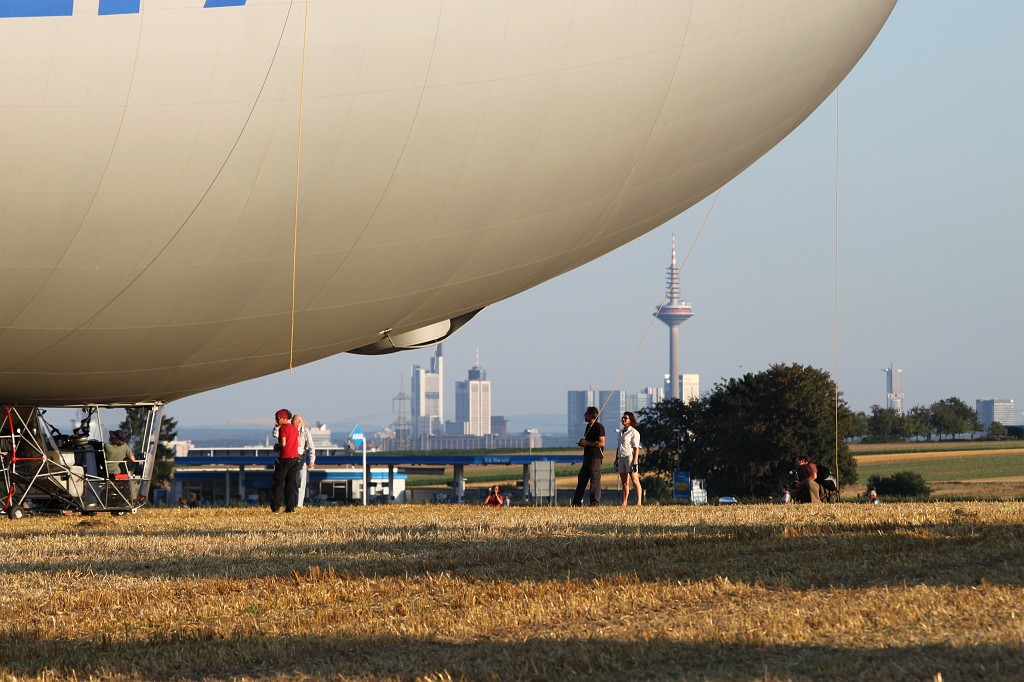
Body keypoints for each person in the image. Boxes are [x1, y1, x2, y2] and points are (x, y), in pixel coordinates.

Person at [571, 406, 606, 506]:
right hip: (587, 456)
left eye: (586, 413)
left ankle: (594, 503)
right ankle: (576, 503)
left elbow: (602, 442)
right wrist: (583, 443)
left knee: (594, 480)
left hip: (595, 457)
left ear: (591, 415)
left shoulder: (599, 427)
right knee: (582, 479)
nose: (584, 415)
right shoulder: (588, 427)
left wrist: (587, 443)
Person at [271, 408, 301, 512]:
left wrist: (277, 447)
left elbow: (283, 444)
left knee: (279, 483)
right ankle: (290, 508)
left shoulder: (283, 429)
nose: (276, 420)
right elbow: (299, 443)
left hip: (285, 458)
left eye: (277, 418)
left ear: (284, 418)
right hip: (295, 458)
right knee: (290, 484)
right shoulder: (295, 429)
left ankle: (276, 507)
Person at [616, 412, 643, 506]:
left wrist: (635, 462)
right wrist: (616, 458)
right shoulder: (620, 432)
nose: (623, 419)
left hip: (630, 457)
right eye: (623, 418)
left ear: (630, 420)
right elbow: (619, 446)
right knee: (624, 482)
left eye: (626, 418)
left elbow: (636, 448)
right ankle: (624, 502)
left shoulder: (634, 432)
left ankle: (639, 502)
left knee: (634, 479)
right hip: (621, 457)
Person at [292, 414, 317, 507]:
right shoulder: (290, 431)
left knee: (301, 483)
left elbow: (311, 447)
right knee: (291, 482)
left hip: (300, 458)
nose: (291, 421)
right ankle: (291, 504)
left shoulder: (306, 433)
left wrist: (311, 460)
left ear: (298, 421)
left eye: (293, 420)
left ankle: (299, 505)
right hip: (290, 459)